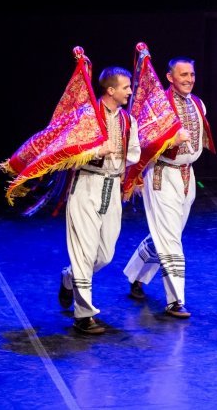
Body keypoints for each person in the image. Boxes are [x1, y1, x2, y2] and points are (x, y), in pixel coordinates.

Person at [123, 57, 215, 318]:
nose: (189, 79)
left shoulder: (198, 104)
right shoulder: (158, 108)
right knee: (171, 239)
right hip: (162, 175)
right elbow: (142, 141)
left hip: (187, 175)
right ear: (169, 77)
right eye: (183, 75)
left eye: (192, 74)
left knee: (166, 234)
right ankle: (175, 300)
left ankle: (136, 276)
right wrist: (169, 140)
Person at [59, 67, 141, 334]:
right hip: (86, 185)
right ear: (111, 90)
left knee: (104, 254)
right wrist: (97, 150)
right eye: (126, 87)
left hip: (112, 186)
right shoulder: (86, 117)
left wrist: (123, 157)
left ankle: (70, 278)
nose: (130, 91)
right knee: (83, 252)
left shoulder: (128, 121)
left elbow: (135, 153)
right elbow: (66, 155)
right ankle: (83, 315)